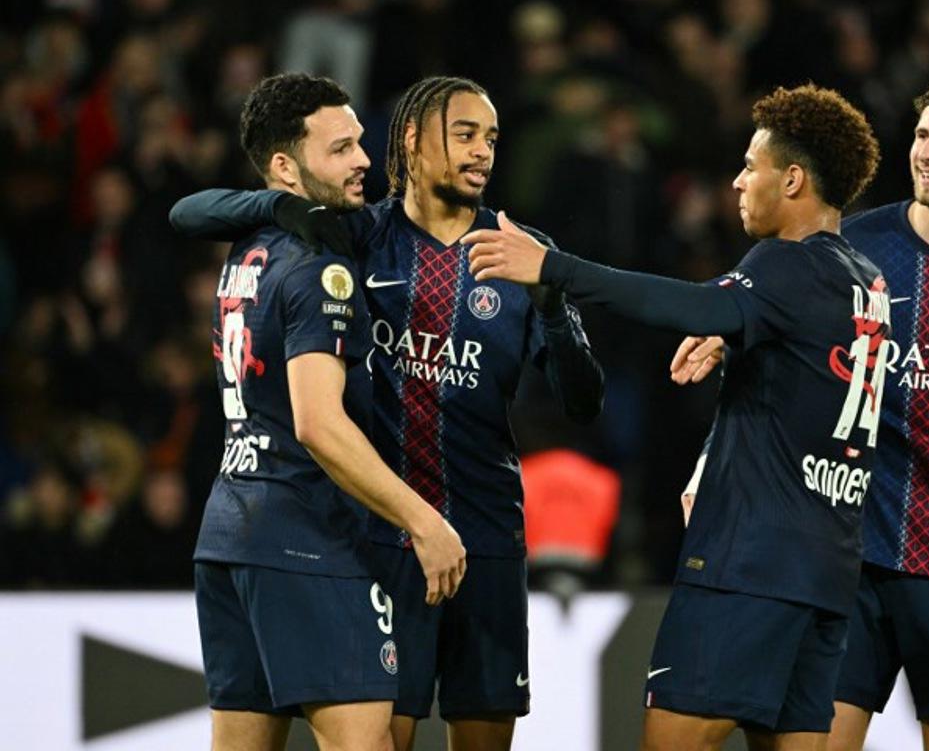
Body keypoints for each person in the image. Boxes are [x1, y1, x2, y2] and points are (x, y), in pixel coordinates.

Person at [171, 75, 605, 751]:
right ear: (411, 139)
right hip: (382, 539)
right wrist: (282, 207)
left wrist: (552, 302)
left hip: (487, 532)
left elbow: (584, 403)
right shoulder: (351, 235)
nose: (482, 152)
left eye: (490, 138)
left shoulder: (518, 249)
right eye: (464, 134)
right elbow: (191, 213)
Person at [673, 80, 929, 751]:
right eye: (922, 135)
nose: (927, 151)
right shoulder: (858, 246)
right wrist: (725, 351)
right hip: (851, 554)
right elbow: (774, 360)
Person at [463, 83, 887, 751]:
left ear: (795, 179)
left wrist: (552, 266)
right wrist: (738, 337)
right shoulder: (867, 278)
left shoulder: (785, 263)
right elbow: (802, 373)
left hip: (748, 565)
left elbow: (687, 306)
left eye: (753, 166)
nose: (739, 182)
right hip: (827, 570)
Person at [191, 72, 466, 751]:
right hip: (305, 537)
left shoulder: (249, 246)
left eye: (360, 145)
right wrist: (422, 519)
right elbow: (319, 423)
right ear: (285, 166)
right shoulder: (320, 268)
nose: (363, 161)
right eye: (340, 149)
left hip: (231, 533)